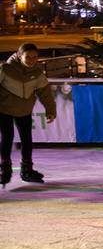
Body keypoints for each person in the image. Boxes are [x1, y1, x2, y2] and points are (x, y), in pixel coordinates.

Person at [0, 43, 57, 187]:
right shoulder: (5, 69)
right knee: (7, 138)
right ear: (20, 56)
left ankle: (27, 170)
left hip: (24, 110)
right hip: (4, 109)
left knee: (27, 140)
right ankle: (4, 169)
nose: (32, 60)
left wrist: (50, 110)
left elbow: (45, 93)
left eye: (35, 57)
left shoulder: (37, 73)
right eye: (28, 57)